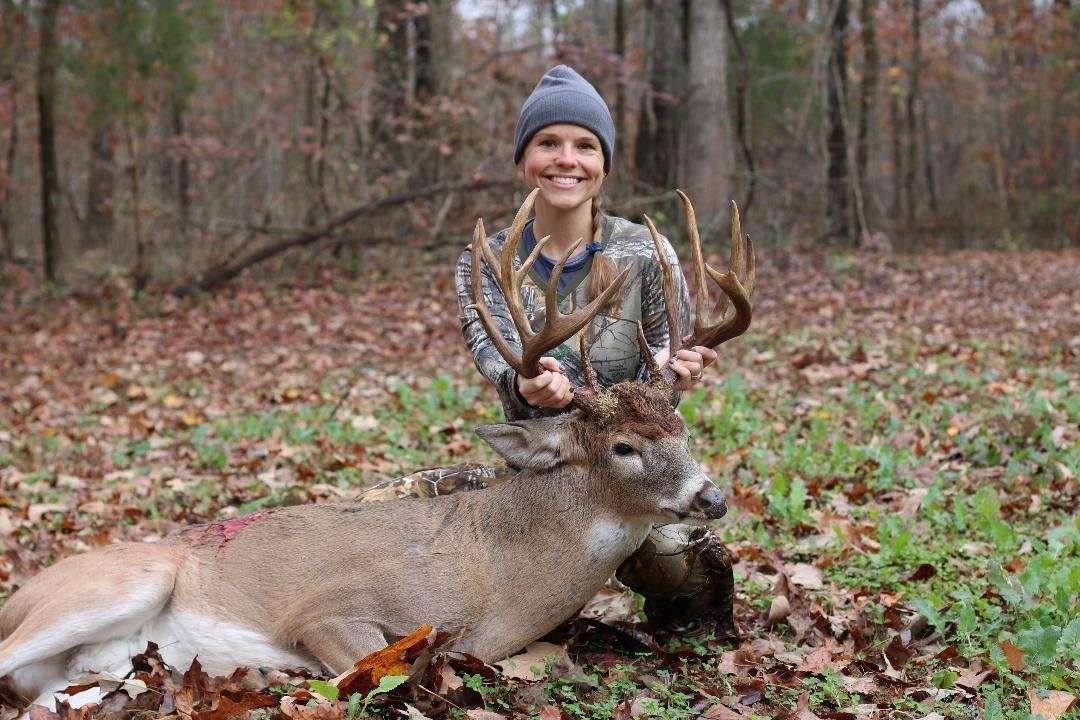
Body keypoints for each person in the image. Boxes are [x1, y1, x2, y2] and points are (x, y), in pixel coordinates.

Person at [361, 65, 736, 637]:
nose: (567, 159)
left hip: (634, 477)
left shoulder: (647, 253)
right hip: (536, 478)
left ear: (604, 163)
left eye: (585, 145)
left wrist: (675, 376)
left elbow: (666, 366)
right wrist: (527, 382)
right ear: (523, 161)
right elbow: (495, 358)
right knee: (378, 513)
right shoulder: (485, 262)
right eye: (548, 143)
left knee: (697, 578)